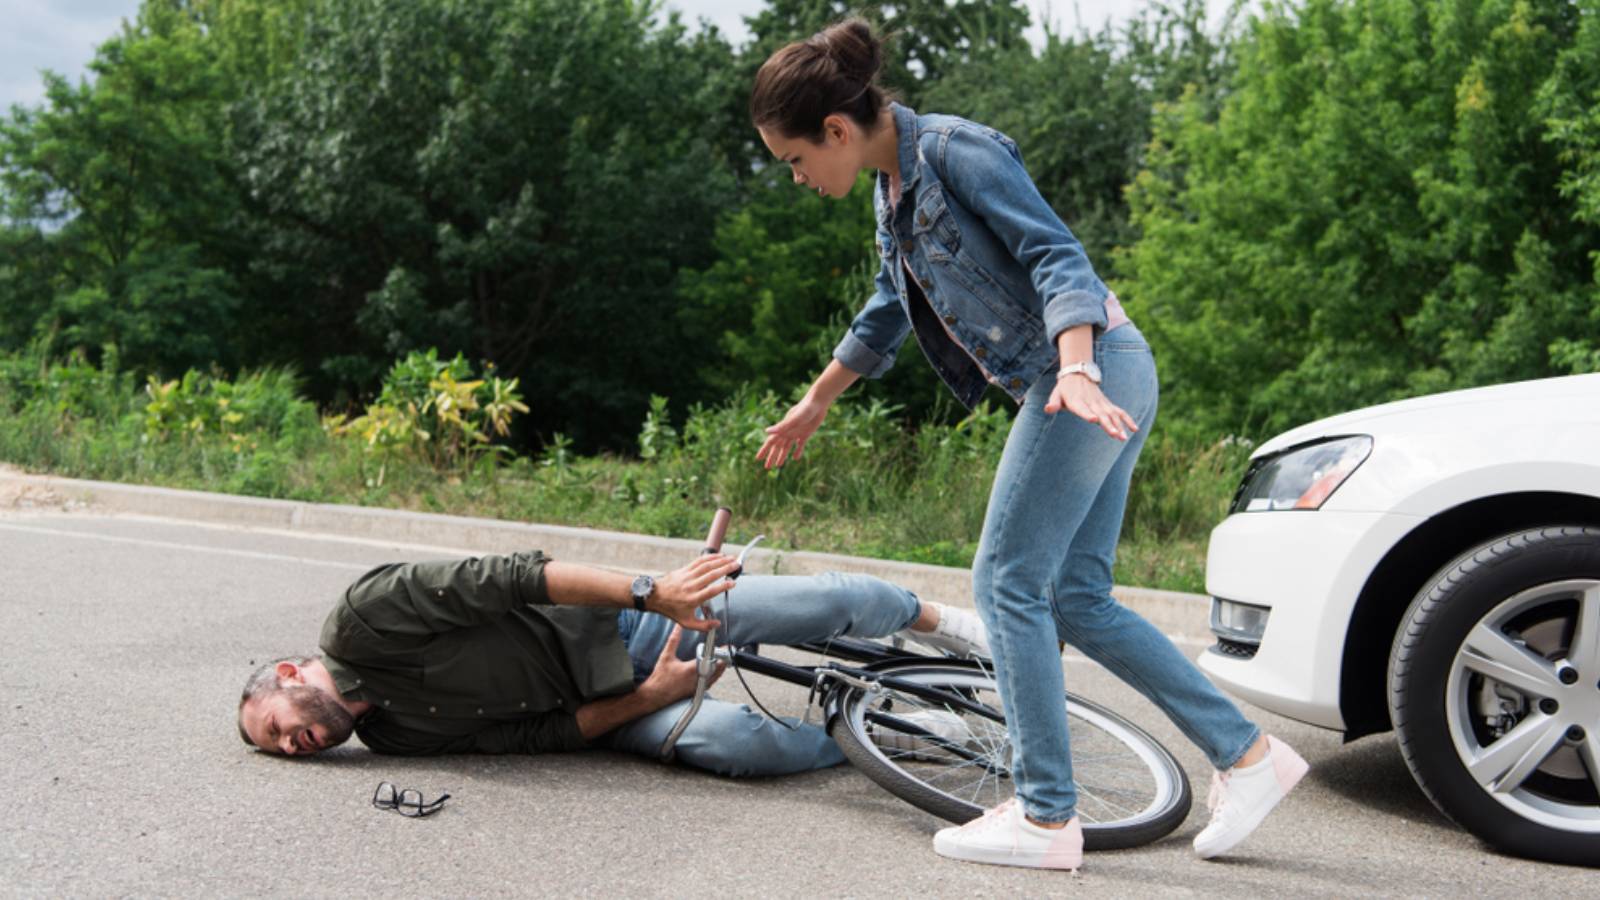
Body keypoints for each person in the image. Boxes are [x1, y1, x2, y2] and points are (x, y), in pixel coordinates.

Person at [748, 18, 1307, 869]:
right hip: (1102, 370)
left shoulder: (955, 152)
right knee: (1076, 595)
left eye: (793, 160)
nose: (795, 178)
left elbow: (1056, 255)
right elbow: (887, 307)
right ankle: (1249, 757)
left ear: (834, 129)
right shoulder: (890, 189)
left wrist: (1075, 366)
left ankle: (1047, 817)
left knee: (1006, 578)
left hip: (1089, 369)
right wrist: (814, 402)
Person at [235, 548, 988, 777]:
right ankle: (882, 738)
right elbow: (537, 739)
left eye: (277, 728)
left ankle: (946, 622)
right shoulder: (392, 741)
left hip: (626, 624)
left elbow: (515, 576)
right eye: (280, 750)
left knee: (804, 607)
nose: (292, 745)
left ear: (291, 677)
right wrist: (653, 697)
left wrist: (654, 594)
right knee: (735, 745)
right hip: (618, 705)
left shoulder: (361, 620)